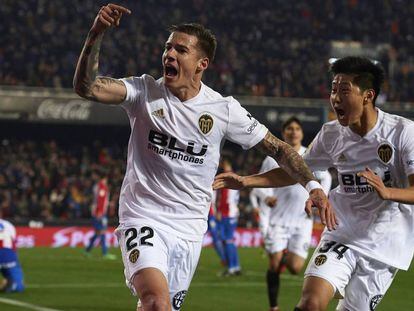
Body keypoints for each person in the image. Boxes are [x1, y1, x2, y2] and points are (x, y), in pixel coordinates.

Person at [73, 4, 335, 310]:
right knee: (156, 302)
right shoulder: (144, 92)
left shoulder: (223, 109)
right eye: (168, 48)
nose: (169, 55)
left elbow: (278, 149)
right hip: (143, 217)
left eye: (180, 50)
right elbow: (87, 87)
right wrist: (96, 35)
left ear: (202, 64)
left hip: (190, 227)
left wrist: (314, 188)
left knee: (164, 306)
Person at [213, 56, 414, 311]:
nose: (335, 98)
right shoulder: (331, 134)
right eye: (333, 89)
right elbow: (295, 171)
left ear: (368, 95)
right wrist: (246, 181)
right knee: (310, 303)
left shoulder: (402, 132)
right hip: (341, 233)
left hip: (384, 244)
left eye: (344, 90)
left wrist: (387, 192)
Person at [253, 117, 332, 311]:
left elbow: (325, 177)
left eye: (297, 129)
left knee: (295, 267)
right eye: (290, 129)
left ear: (302, 133)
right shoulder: (272, 158)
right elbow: (261, 183)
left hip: (302, 221)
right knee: (274, 264)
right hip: (278, 220)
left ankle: (284, 252)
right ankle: (274, 306)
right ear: (283, 133)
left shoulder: (309, 155)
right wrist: (266, 198)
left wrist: (323, 197)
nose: (294, 132)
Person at [216, 158, 241, 276]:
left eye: (223, 164)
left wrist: (220, 212)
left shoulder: (228, 177)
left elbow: (225, 197)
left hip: (228, 213)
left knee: (227, 240)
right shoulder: (235, 177)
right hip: (232, 212)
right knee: (229, 240)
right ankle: (235, 266)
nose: (221, 166)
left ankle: (232, 268)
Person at [85, 173, 115, 259]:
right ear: (105, 178)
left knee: (98, 232)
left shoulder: (98, 186)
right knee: (102, 231)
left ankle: (87, 250)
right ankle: (105, 253)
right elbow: (100, 200)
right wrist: (100, 212)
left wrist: (108, 204)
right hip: (100, 212)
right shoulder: (102, 187)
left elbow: (100, 200)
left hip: (99, 211)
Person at [0, 214, 24, 293]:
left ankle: (6, 283)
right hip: (9, 256)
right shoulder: (8, 224)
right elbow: (13, 243)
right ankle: (14, 284)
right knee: (19, 287)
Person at [207, 191, 226, 267]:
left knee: (216, 237)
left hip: (211, 215)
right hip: (204, 213)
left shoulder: (215, 189)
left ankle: (224, 258)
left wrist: (217, 212)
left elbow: (216, 202)